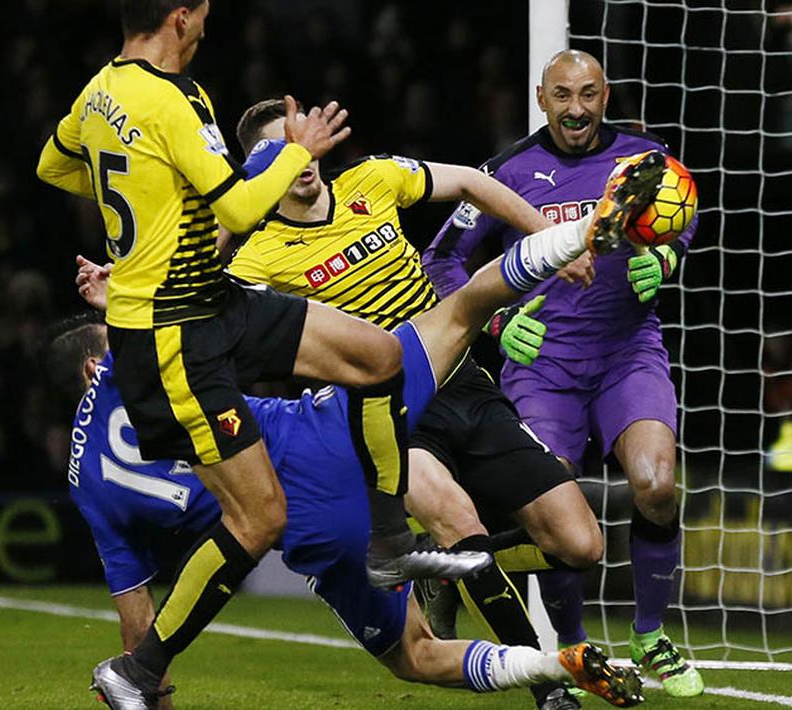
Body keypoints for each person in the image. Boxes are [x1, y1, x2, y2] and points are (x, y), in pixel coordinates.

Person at [59, 155, 665, 708]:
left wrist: (145, 674)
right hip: (331, 435)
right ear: (96, 362)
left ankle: (550, 665)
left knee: (417, 658)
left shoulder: (91, 484)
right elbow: (172, 290)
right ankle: (580, 233)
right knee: (463, 309)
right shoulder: (138, 350)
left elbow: (136, 621)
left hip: (316, 534)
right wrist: (122, 289)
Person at [36, 2, 487, 705]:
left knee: (376, 356)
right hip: (172, 327)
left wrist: (147, 203)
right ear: (180, 18)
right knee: (259, 520)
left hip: (212, 302)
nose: (210, 21)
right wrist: (299, 150)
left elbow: (55, 165)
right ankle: (138, 670)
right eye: (204, 11)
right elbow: (242, 212)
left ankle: (387, 539)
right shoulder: (176, 99)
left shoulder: (98, 92)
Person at [230, 98, 606, 709]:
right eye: (282, 148)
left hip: (461, 380)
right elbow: (209, 320)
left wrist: (547, 234)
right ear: (259, 168)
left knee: (580, 544)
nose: (301, 157)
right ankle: (547, 686)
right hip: (386, 415)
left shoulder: (371, 180)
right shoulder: (257, 258)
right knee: (462, 522)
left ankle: (448, 569)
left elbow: (472, 181)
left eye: (305, 140)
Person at [422, 49, 705, 698]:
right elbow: (441, 259)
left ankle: (650, 635)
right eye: (561, 95)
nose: (575, 108)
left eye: (587, 94)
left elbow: (681, 220)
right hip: (540, 364)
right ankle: (571, 645)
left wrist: (664, 260)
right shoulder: (506, 171)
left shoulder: (646, 159)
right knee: (559, 507)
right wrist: (493, 323)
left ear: (605, 95)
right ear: (540, 98)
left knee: (656, 484)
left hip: (628, 351)